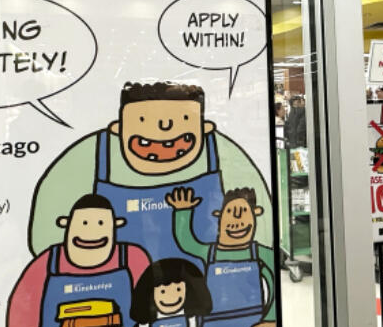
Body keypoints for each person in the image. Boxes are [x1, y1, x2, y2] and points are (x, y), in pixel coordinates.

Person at [30, 82, 272, 264]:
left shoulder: (218, 150)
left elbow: (262, 217)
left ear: (204, 127)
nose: (164, 127)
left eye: (185, 118)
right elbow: (48, 224)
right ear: (117, 129)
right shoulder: (93, 154)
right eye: (143, 119)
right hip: (118, 284)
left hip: (205, 282)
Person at [6, 193, 149, 327]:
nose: (91, 233)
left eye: (100, 224)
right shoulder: (46, 265)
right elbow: (19, 319)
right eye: (84, 224)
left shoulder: (133, 258)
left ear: (115, 225)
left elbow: (155, 310)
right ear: (67, 224)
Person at [168, 185, 277, 327]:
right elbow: (186, 242)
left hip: (253, 325)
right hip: (212, 326)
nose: (237, 221)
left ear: (256, 214)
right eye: (230, 213)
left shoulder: (261, 253)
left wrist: (271, 318)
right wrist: (183, 212)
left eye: (243, 212)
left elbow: (274, 282)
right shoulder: (210, 252)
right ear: (219, 217)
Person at [129, 258, 213, 327]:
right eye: (163, 291)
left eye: (178, 289)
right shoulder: (149, 317)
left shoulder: (189, 313)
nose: (171, 297)